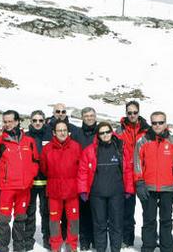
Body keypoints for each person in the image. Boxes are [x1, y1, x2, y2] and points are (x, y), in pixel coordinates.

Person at [0, 110, 40, 252]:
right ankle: (3, 247)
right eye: (5, 121)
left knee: (21, 218)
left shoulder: (29, 141)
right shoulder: (0, 140)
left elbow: (35, 161)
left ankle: (18, 246)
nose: (7, 124)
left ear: (17, 121)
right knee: (3, 219)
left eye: (10, 121)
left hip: (24, 188)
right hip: (7, 187)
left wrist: (30, 176)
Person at [77, 122, 134, 252]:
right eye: (102, 133)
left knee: (116, 225)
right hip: (97, 194)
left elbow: (128, 170)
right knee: (99, 225)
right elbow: (83, 171)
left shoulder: (120, 148)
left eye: (107, 132)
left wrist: (129, 189)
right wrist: (83, 190)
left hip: (117, 193)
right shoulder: (90, 150)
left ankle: (115, 249)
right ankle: (101, 249)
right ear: (98, 135)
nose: (105, 135)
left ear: (111, 132)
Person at [134, 111, 173, 252]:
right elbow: (137, 162)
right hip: (148, 188)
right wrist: (139, 182)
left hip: (167, 188)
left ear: (165, 123)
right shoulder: (143, 141)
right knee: (149, 219)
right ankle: (148, 246)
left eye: (160, 122)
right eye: (154, 123)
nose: (157, 125)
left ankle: (167, 247)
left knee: (166, 220)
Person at [40, 120, 82, 251]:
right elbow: (44, 168)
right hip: (54, 190)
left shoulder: (76, 147)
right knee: (54, 221)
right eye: (59, 130)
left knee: (73, 221)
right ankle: (56, 245)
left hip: (72, 191)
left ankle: (72, 245)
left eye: (64, 130)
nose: (62, 133)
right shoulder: (47, 149)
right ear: (54, 132)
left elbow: (81, 167)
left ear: (68, 131)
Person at [116, 100, 150, 247]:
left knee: (149, 211)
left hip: (144, 175)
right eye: (129, 113)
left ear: (139, 112)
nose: (132, 115)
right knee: (127, 211)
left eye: (135, 112)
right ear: (126, 113)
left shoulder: (148, 130)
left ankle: (149, 240)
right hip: (126, 176)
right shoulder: (119, 131)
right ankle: (127, 239)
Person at [73, 107, 100, 250]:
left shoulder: (101, 132)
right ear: (82, 118)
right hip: (82, 178)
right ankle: (84, 240)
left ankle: (97, 240)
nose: (89, 118)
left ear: (95, 116)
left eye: (91, 115)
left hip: (99, 177)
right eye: (86, 116)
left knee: (98, 212)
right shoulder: (77, 134)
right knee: (83, 211)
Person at [24, 110, 50, 250]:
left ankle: (48, 240)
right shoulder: (26, 137)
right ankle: (28, 240)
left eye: (40, 120)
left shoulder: (50, 135)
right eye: (35, 120)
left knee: (46, 211)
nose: (38, 123)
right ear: (31, 121)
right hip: (31, 181)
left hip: (47, 181)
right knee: (30, 211)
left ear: (44, 121)